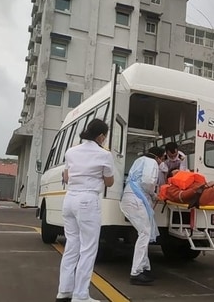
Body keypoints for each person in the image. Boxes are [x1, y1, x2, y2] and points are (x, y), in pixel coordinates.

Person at [56, 119, 114, 302]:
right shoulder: (104, 155)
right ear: (101, 136)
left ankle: (64, 291)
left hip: (70, 199)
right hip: (88, 201)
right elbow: (109, 182)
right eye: (104, 136)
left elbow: (66, 176)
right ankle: (81, 296)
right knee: (88, 249)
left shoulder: (71, 152)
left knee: (72, 246)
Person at [120, 146, 165, 285]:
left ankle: (145, 268)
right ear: (158, 157)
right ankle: (136, 272)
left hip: (129, 197)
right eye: (162, 159)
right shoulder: (152, 163)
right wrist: (153, 194)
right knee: (145, 233)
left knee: (143, 233)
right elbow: (148, 182)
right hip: (136, 200)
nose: (161, 162)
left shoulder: (139, 160)